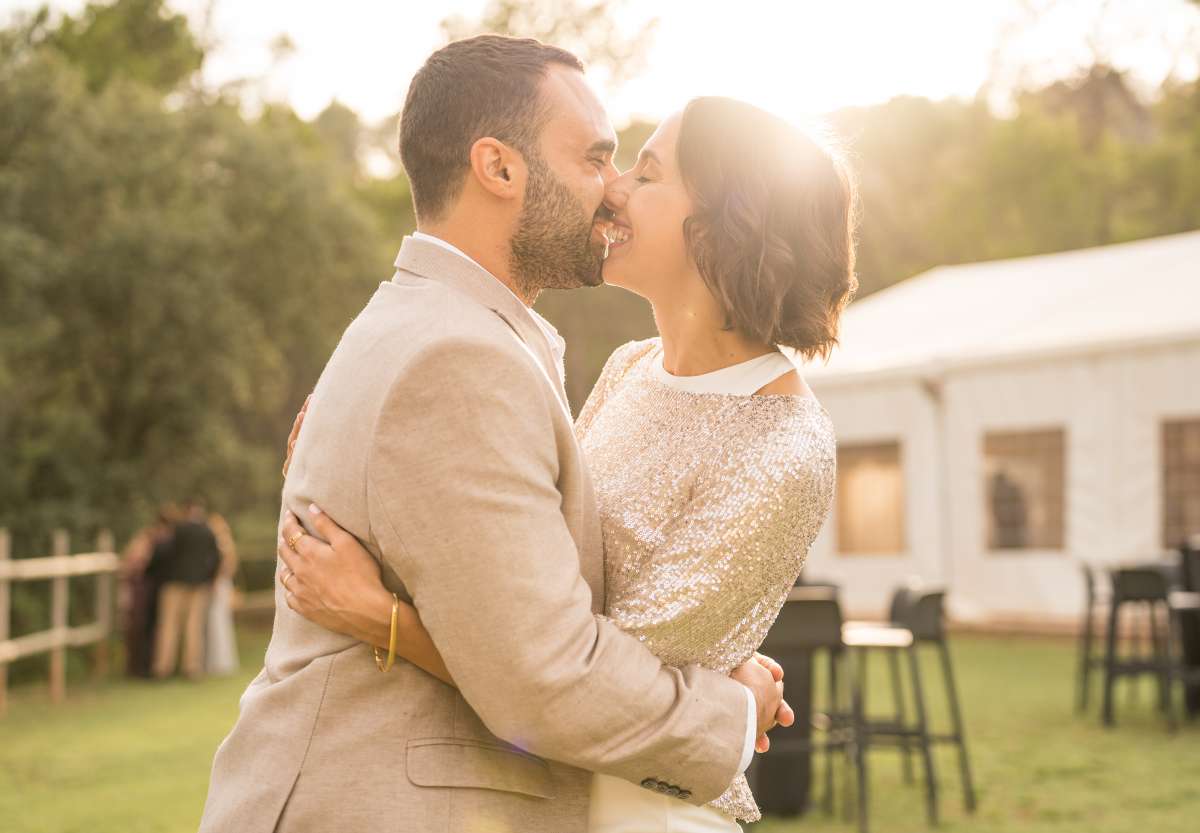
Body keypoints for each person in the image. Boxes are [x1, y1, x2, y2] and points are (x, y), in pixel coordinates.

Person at [200, 36, 790, 833]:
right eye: (594, 157)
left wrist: (715, 650)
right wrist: (728, 708)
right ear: (499, 168)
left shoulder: (446, 332)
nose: (614, 191)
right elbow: (544, 678)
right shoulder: (457, 357)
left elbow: (529, 595)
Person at [147, 499, 221, 679]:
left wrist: (155, 573)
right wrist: (208, 577)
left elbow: (164, 553)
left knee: (169, 625)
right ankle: (192, 668)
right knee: (193, 626)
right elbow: (217, 557)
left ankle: (163, 667)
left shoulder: (178, 530)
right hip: (199, 584)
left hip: (174, 583)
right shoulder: (207, 531)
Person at [119, 505, 176, 678]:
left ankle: (144, 666)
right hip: (140, 591)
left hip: (149, 590)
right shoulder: (147, 540)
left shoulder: (158, 541)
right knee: (139, 627)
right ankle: (137, 667)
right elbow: (132, 565)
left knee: (149, 628)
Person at [204, 511, 240, 676]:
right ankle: (217, 661)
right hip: (222, 583)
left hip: (220, 584)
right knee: (217, 622)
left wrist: (218, 580)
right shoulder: (225, 542)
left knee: (219, 621)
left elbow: (228, 566)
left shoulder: (223, 543)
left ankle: (221, 662)